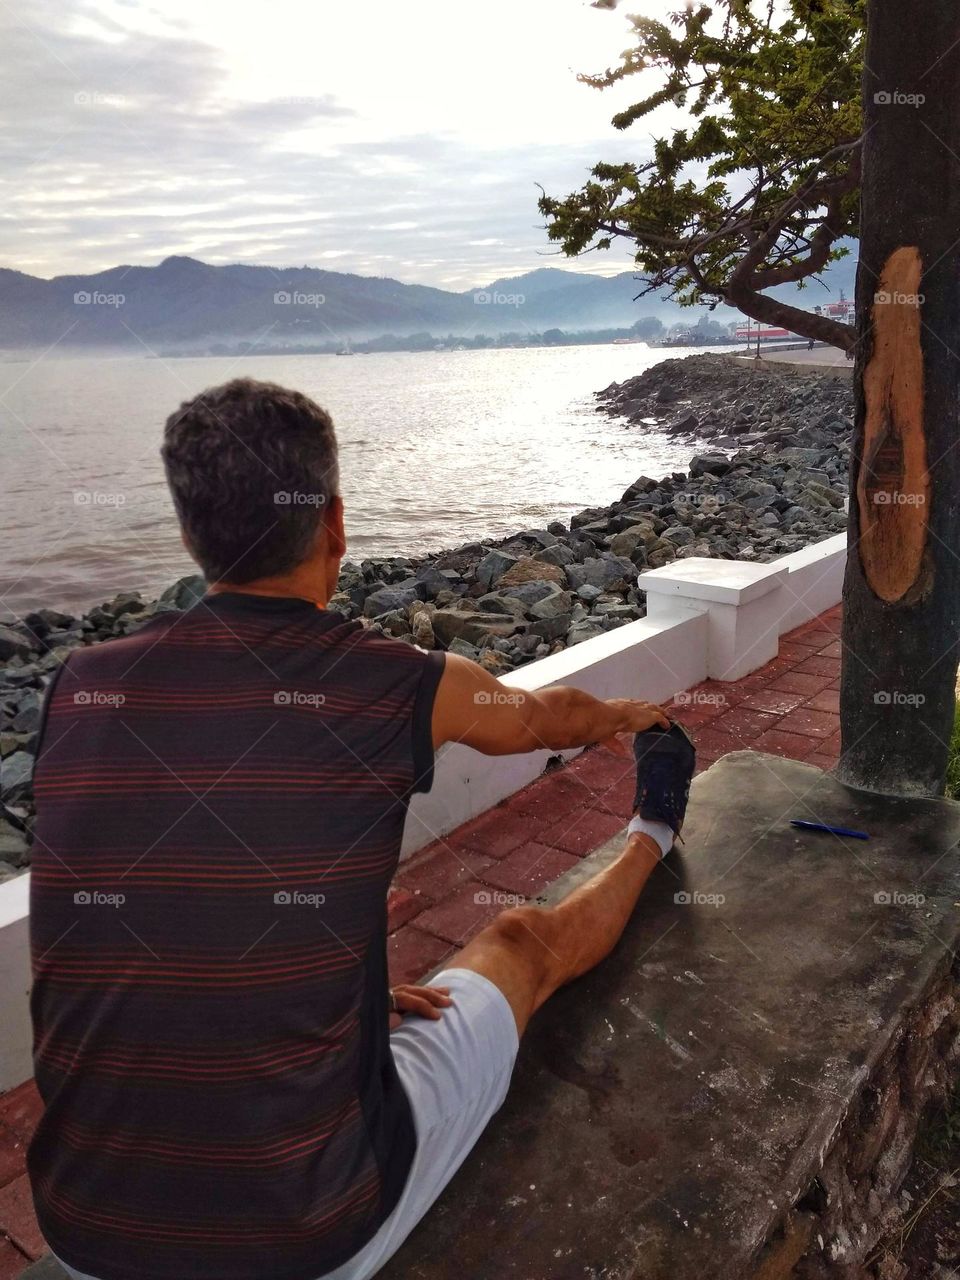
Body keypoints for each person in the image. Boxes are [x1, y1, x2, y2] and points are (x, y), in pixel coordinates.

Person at [27, 378, 695, 1280]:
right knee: (518, 940)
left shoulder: (80, 685)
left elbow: (175, 896)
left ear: (191, 534)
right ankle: (656, 823)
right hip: (312, 1232)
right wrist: (628, 714)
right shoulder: (400, 682)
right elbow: (547, 718)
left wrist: (351, 1002)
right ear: (335, 525)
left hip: (80, 1226)